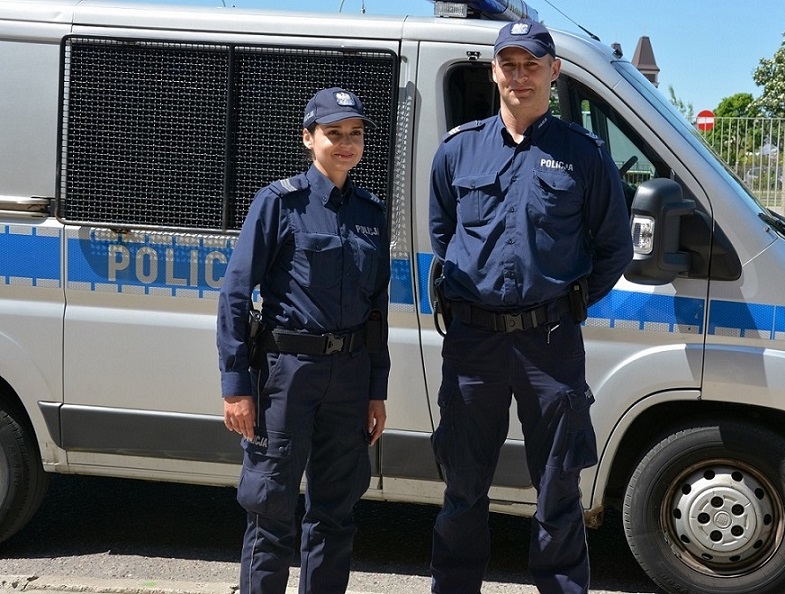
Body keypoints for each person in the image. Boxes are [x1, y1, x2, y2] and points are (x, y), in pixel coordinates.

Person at [427, 19, 633, 594]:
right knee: (463, 486)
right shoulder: (458, 150)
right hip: (473, 344)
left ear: (553, 71)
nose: (520, 76)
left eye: (531, 65)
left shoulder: (583, 154)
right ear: (494, 72)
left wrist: (569, 301)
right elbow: (443, 235)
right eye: (509, 65)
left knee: (559, 488)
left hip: (550, 344)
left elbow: (613, 247)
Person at [216, 87, 390, 594]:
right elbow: (235, 292)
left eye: (354, 134)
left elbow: (376, 310)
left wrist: (376, 389)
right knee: (270, 509)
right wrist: (236, 386)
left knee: (335, 514)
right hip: (287, 374)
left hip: (350, 377)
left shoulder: (371, 213)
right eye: (334, 133)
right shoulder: (279, 203)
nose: (346, 143)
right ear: (309, 138)